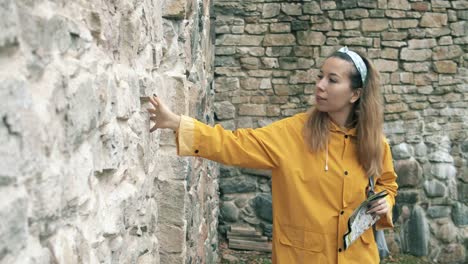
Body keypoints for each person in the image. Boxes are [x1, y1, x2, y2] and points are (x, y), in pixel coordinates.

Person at [147, 47, 398, 264]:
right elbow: (235, 144)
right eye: (320, 76)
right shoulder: (293, 133)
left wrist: (386, 202)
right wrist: (178, 123)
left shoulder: (374, 142)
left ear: (355, 94)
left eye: (332, 80)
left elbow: (388, 184)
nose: (320, 85)